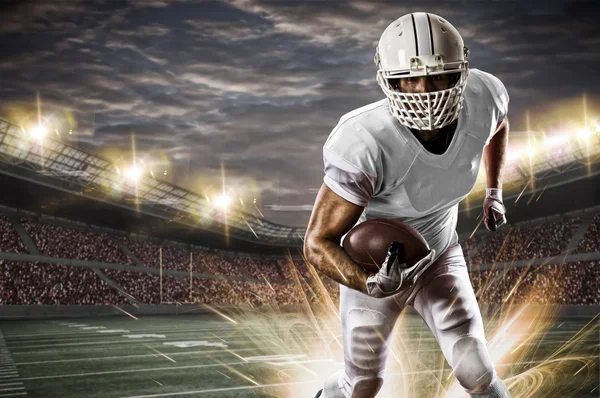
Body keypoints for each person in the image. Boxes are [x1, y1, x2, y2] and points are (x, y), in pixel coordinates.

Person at [304, 12, 511, 398]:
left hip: (439, 253)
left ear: (461, 72)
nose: (424, 91)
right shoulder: (364, 140)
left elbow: (498, 126)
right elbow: (316, 243)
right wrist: (368, 281)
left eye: (438, 76)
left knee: (478, 371)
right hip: (375, 265)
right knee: (362, 385)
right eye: (409, 79)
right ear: (387, 80)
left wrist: (493, 191)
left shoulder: (484, 98)